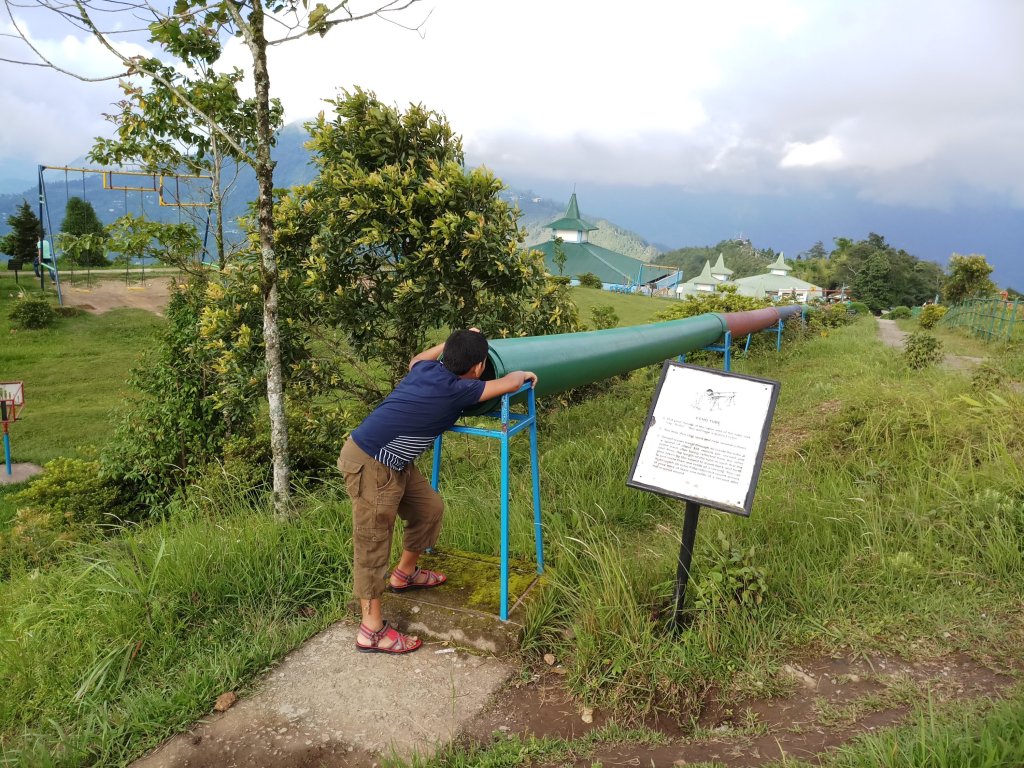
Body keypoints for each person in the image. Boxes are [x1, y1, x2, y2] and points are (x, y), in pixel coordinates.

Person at [338, 328, 537, 654]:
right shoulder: (460, 390)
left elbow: (416, 358)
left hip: (395, 460)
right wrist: (524, 373)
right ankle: (371, 631)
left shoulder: (428, 368)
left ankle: (404, 575)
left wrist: (451, 342)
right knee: (373, 542)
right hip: (370, 462)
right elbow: (511, 382)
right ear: (477, 367)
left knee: (429, 510)